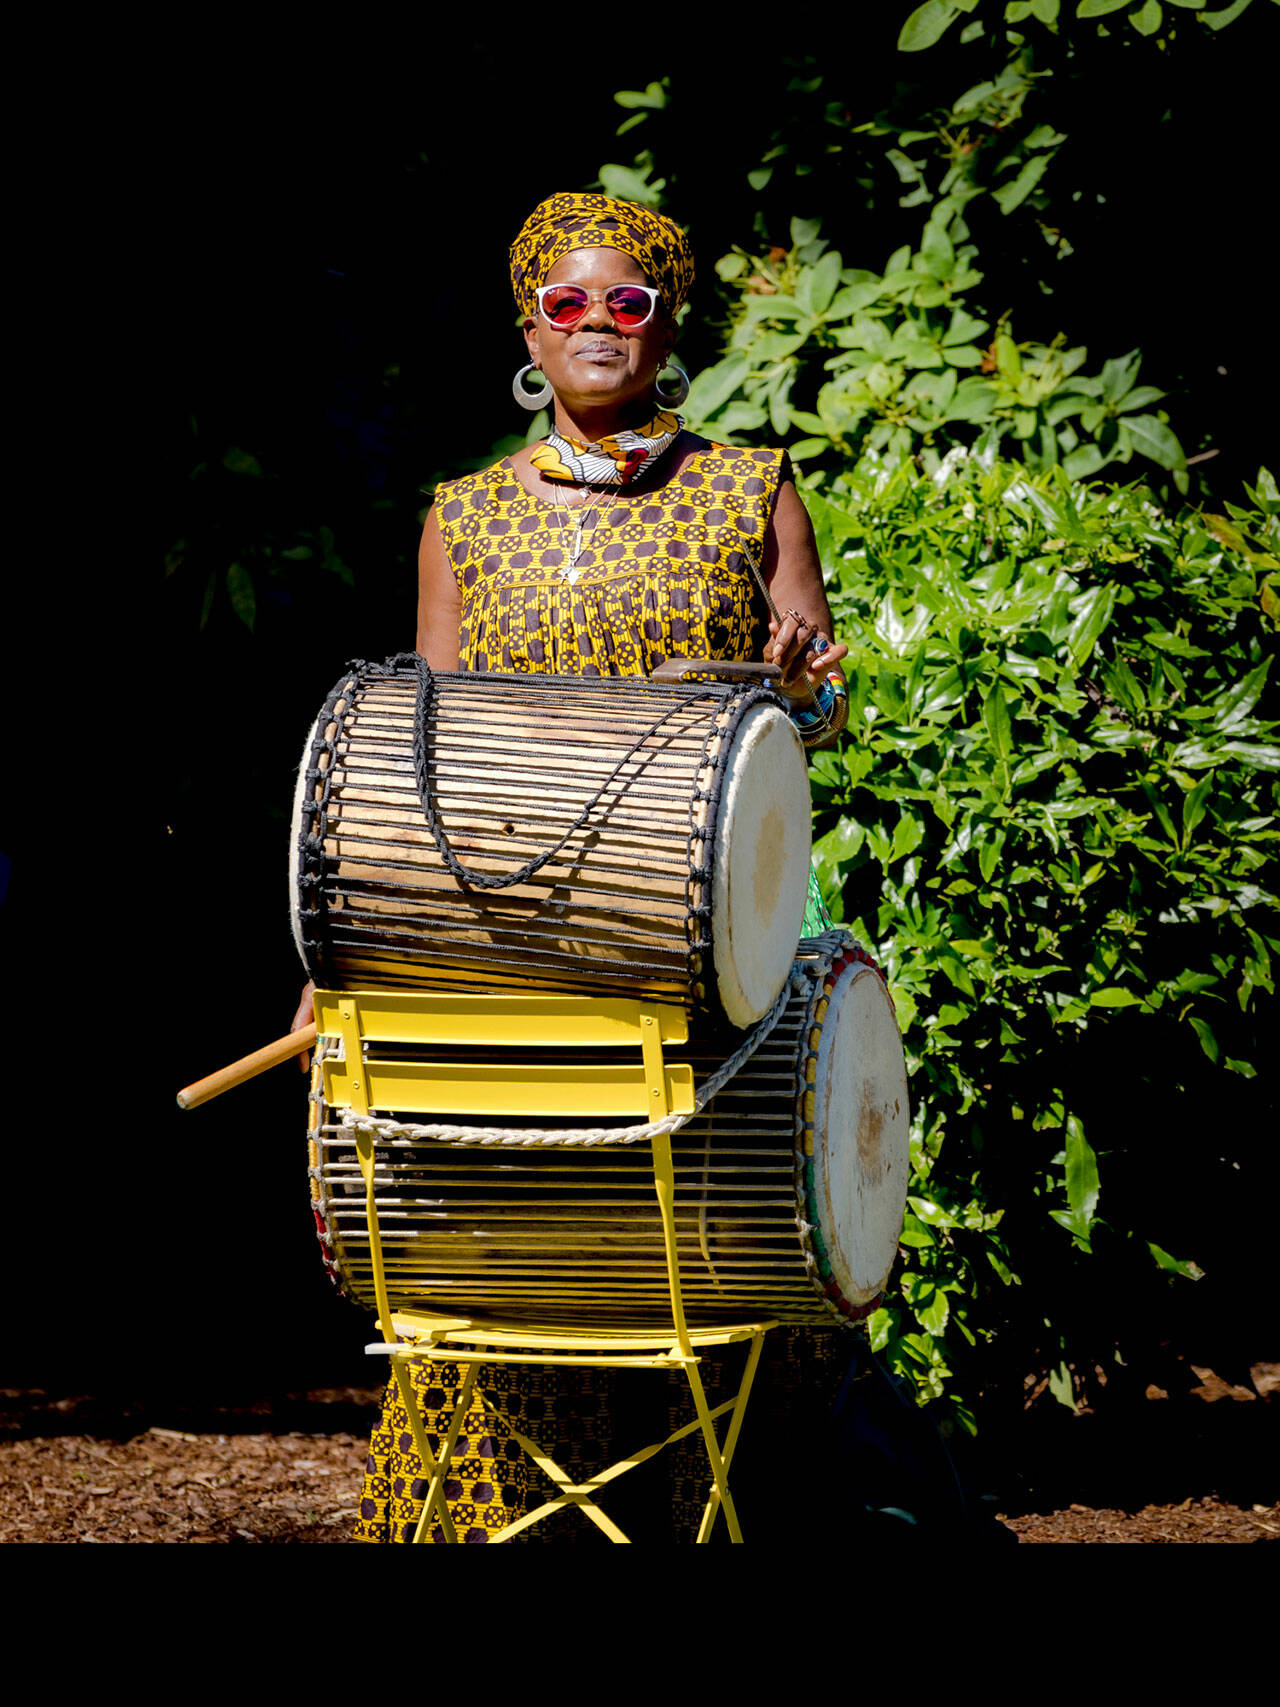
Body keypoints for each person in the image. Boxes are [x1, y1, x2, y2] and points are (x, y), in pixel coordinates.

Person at [295, 192, 855, 1542]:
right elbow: (420, 755)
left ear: (671, 328)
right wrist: (351, 969)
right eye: (567, 305)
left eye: (629, 303)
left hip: (711, 917)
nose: (597, 327)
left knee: (711, 1234)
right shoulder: (465, 514)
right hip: (515, 924)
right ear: (527, 332)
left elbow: (829, 709)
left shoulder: (753, 485)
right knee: (516, 1226)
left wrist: (802, 691)